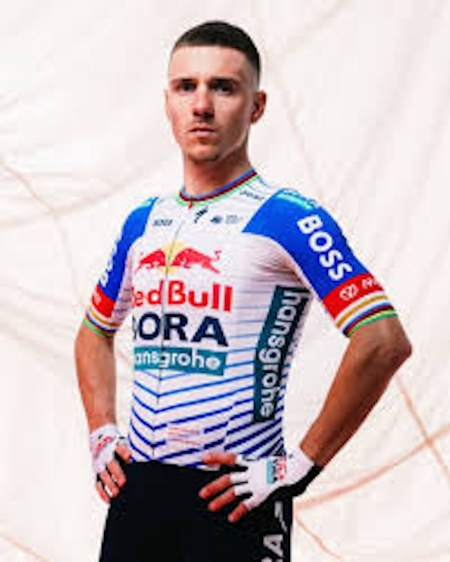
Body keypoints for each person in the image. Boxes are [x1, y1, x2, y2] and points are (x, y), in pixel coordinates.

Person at [75, 20, 412, 562]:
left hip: (233, 496)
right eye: (186, 87)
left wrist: (300, 465)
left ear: (256, 107)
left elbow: (383, 340)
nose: (201, 105)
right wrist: (101, 433)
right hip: (139, 493)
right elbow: (94, 332)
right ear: (167, 103)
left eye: (223, 88)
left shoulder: (288, 217)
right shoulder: (143, 222)